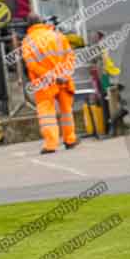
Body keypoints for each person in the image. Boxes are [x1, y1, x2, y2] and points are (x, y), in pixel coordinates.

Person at [21, 13, 79, 155]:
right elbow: (70, 57)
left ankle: (51, 144)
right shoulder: (58, 36)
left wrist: (51, 76)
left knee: (47, 114)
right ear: (42, 22)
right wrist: (63, 75)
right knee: (66, 111)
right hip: (63, 79)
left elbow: (32, 66)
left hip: (44, 83)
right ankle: (70, 140)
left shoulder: (28, 41)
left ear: (28, 25)